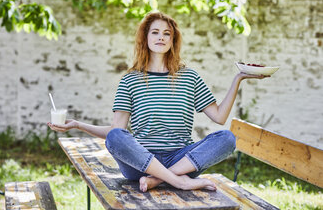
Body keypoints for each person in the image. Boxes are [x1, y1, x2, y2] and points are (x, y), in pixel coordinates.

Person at [48, 12, 268, 192]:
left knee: (227, 138)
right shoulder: (130, 79)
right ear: (146, 38)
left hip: (182, 159)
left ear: (173, 41)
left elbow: (219, 118)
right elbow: (117, 131)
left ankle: (158, 179)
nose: (161, 37)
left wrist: (238, 79)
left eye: (167, 34)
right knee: (116, 136)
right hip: (140, 162)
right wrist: (77, 125)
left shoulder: (189, 77)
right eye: (155, 32)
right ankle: (178, 181)